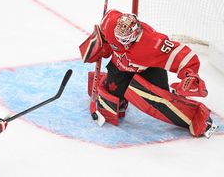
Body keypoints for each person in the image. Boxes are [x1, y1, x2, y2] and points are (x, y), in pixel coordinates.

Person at [79, 9, 218, 138]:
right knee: (110, 105)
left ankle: (197, 116)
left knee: (156, 101)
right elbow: (103, 34)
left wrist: (190, 74)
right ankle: (122, 99)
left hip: (148, 71)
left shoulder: (152, 43)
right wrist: (100, 45)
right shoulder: (109, 20)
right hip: (121, 67)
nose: (129, 43)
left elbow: (182, 55)